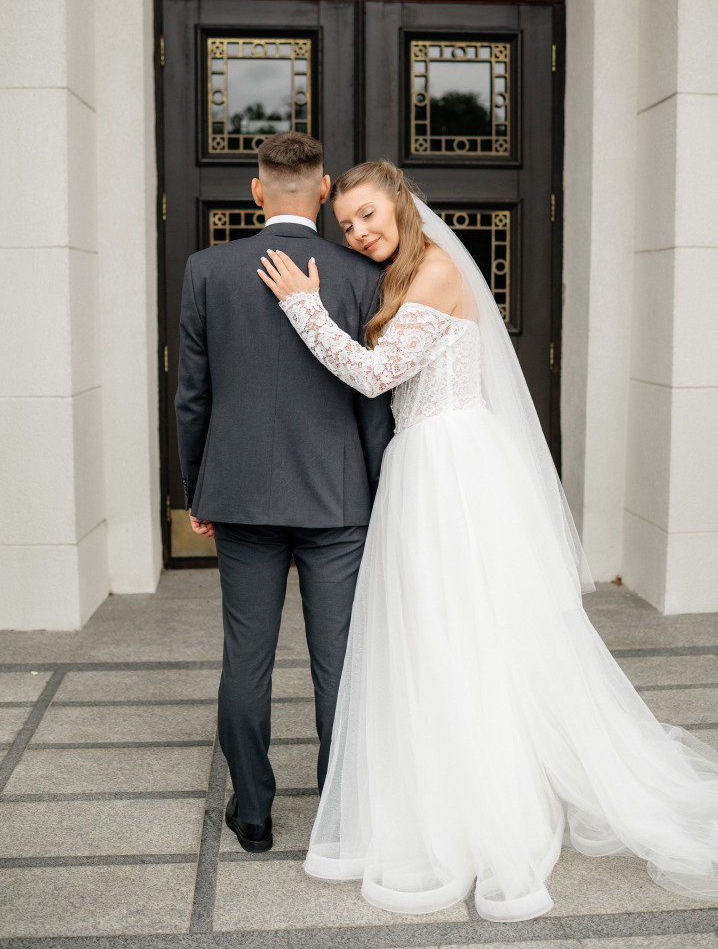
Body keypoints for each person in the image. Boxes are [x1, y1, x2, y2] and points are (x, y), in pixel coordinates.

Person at [256, 159, 718, 921]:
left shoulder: (435, 272)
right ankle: (453, 783)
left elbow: (373, 377)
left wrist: (306, 306)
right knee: (441, 635)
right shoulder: (408, 275)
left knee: (462, 632)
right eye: (346, 225)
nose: (358, 231)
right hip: (426, 463)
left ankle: (486, 804)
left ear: (400, 203)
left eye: (368, 215)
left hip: (451, 471)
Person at [175, 135, 394, 854]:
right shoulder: (359, 273)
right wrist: (375, 491)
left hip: (238, 495)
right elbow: (373, 400)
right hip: (336, 502)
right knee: (340, 660)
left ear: (257, 190)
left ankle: (256, 815)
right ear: (325, 190)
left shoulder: (206, 270)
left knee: (247, 656)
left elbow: (192, 397)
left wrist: (197, 486)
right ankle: (339, 811)